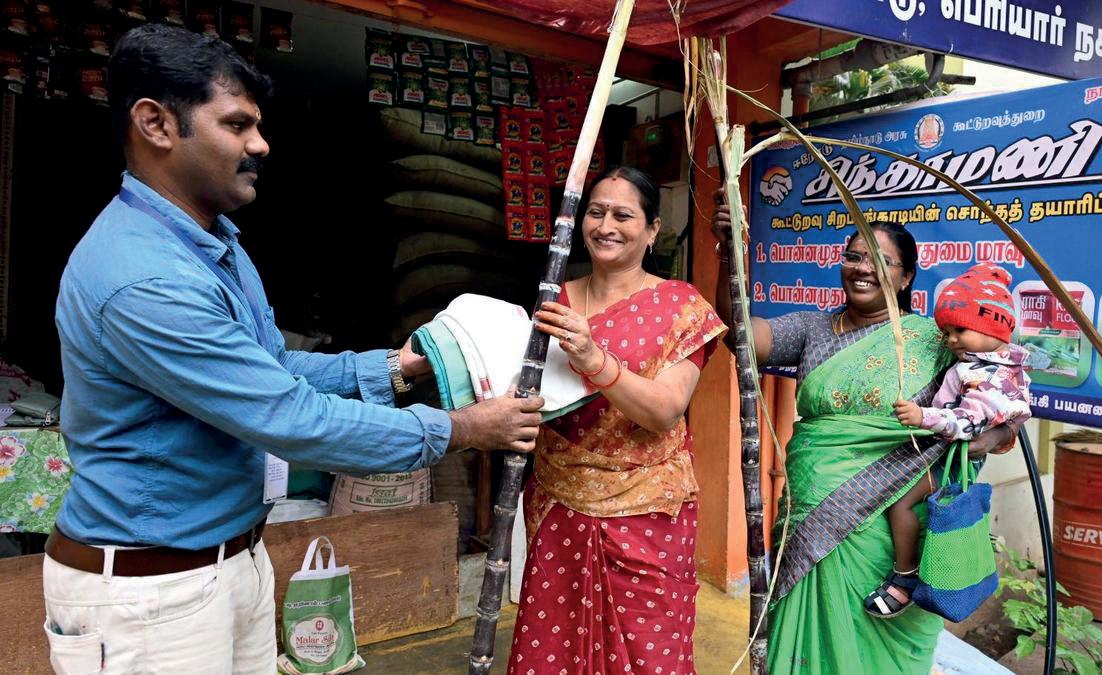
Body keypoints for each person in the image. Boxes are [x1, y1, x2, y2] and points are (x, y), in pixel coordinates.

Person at [45, 24, 542, 674]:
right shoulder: (144, 278)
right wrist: (461, 428)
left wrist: (396, 366)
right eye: (237, 124)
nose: (260, 144)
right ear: (156, 124)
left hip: (230, 560)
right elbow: (290, 419)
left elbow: (268, 369)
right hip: (148, 597)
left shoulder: (215, 244)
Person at [711, 203, 1017, 674]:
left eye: (879, 260)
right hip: (813, 509)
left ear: (906, 277)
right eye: (853, 256)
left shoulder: (939, 340)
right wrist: (729, 256)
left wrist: (994, 433)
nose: (862, 268)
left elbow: (1005, 395)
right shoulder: (814, 328)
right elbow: (740, 334)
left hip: (895, 532)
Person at [507, 166, 727, 674]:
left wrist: (592, 357)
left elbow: (664, 410)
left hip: (645, 514)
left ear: (652, 230)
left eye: (624, 215)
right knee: (552, 645)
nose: (606, 225)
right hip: (558, 500)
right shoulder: (554, 299)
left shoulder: (681, 306)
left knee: (648, 652)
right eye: (597, 212)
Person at [868, 262, 1035, 619]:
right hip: (947, 454)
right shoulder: (990, 364)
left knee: (900, 506)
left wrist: (922, 416)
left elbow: (969, 421)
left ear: (995, 328)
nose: (951, 340)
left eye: (960, 330)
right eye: (946, 332)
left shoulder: (987, 375)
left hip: (950, 459)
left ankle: (905, 578)